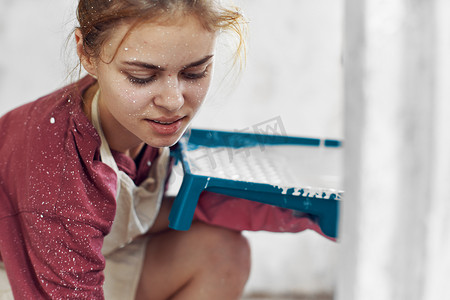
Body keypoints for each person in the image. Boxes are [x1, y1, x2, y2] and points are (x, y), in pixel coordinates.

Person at [0, 1, 329, 299]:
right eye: (142, 77)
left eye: (194, 72)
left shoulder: (137, 117)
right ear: (87, 55)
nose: (173, 101)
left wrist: (304, 212)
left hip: (80, 254)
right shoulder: (61, 175)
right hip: (22, 277)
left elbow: (124, 216)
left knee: (222, 254)